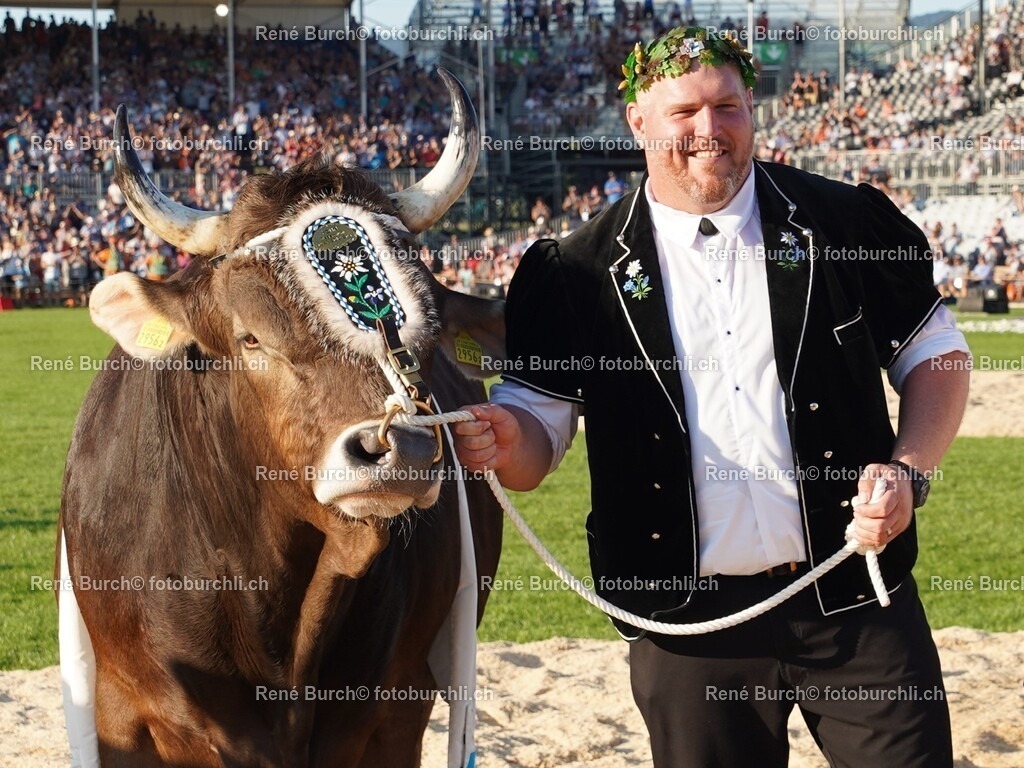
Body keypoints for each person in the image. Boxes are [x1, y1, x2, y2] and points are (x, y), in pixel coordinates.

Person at [454, 26, 970, 768]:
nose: (709, 130)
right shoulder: (572, 271)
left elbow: (937, 354)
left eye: (727, 107)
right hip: (685, 628)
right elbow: (539, 434)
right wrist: (507, 437)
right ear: (637, 120)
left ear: (751, 108)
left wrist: (909, 470)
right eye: (684, 113)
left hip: (860, 602)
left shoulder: (845, 222)